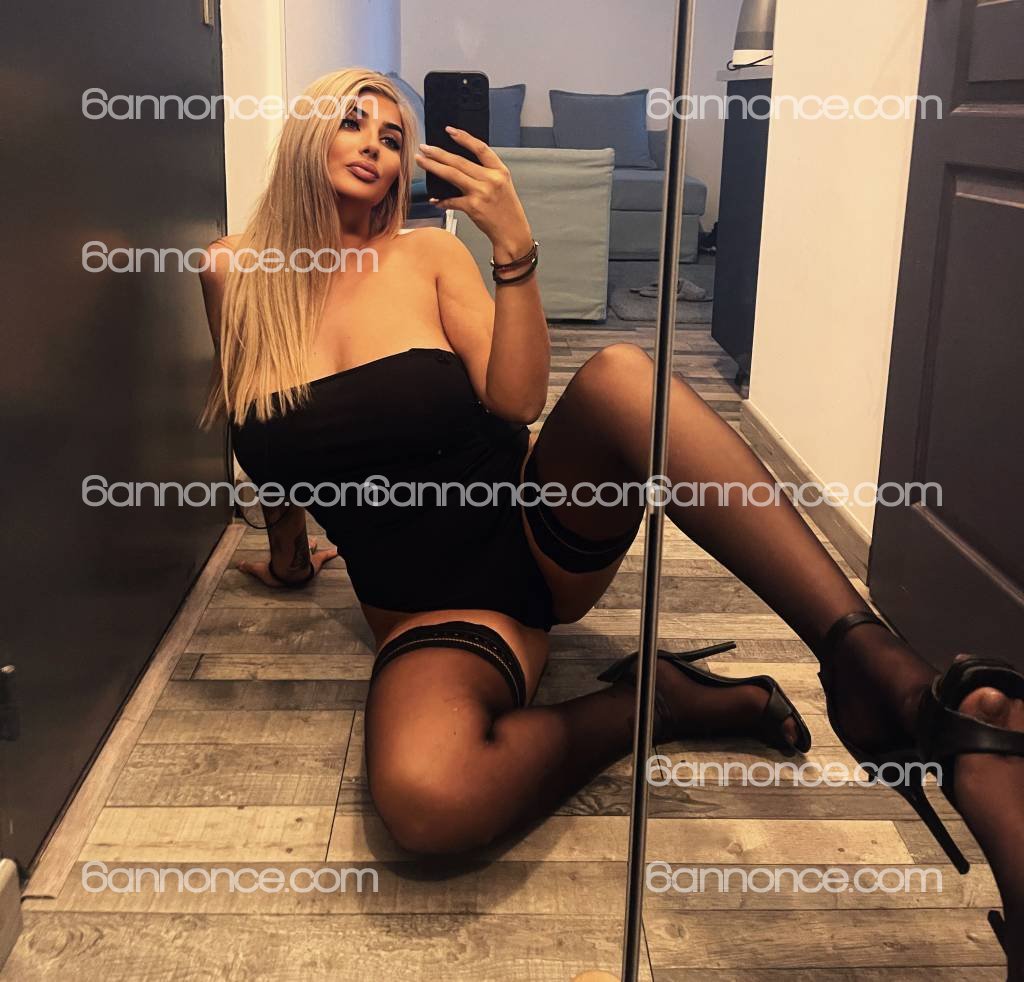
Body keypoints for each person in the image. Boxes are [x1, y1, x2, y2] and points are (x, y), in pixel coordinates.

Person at [198, 68, 1023, 974]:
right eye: (351, 122)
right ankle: (653, 702)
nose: (372, 145)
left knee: (625, 377)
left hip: (529, 534)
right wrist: (288, 557)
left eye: (392, 137)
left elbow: (517, 402)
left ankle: (877, 669)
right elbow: (265, 437)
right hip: (434, 615)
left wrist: (514, 247)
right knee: (428, 800)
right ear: (305, 132)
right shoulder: (232, 272)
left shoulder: (428, 256)